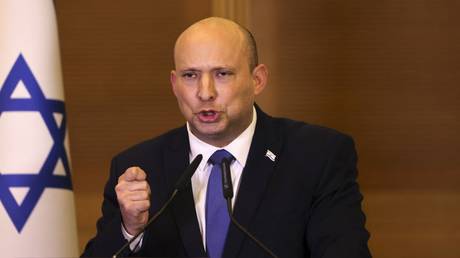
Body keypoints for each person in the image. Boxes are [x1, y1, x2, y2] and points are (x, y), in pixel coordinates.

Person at [82, 17, 371, 258]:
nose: (205, 92)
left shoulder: (317, 156)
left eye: (222, 74)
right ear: (174, 84)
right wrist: (130, 230)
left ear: (257, 80)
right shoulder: (138, 167)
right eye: (190, 75)